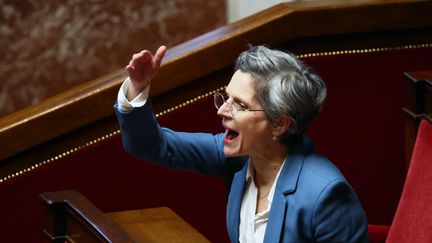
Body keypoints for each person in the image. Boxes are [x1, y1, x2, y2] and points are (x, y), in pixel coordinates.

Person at [114, 45, 368, 242]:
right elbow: (150, 145)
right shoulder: (236, 157)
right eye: (226, 98)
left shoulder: (326, 195)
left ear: (280, 124)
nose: (222, 110)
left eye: (240, 105)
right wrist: (138, 87)